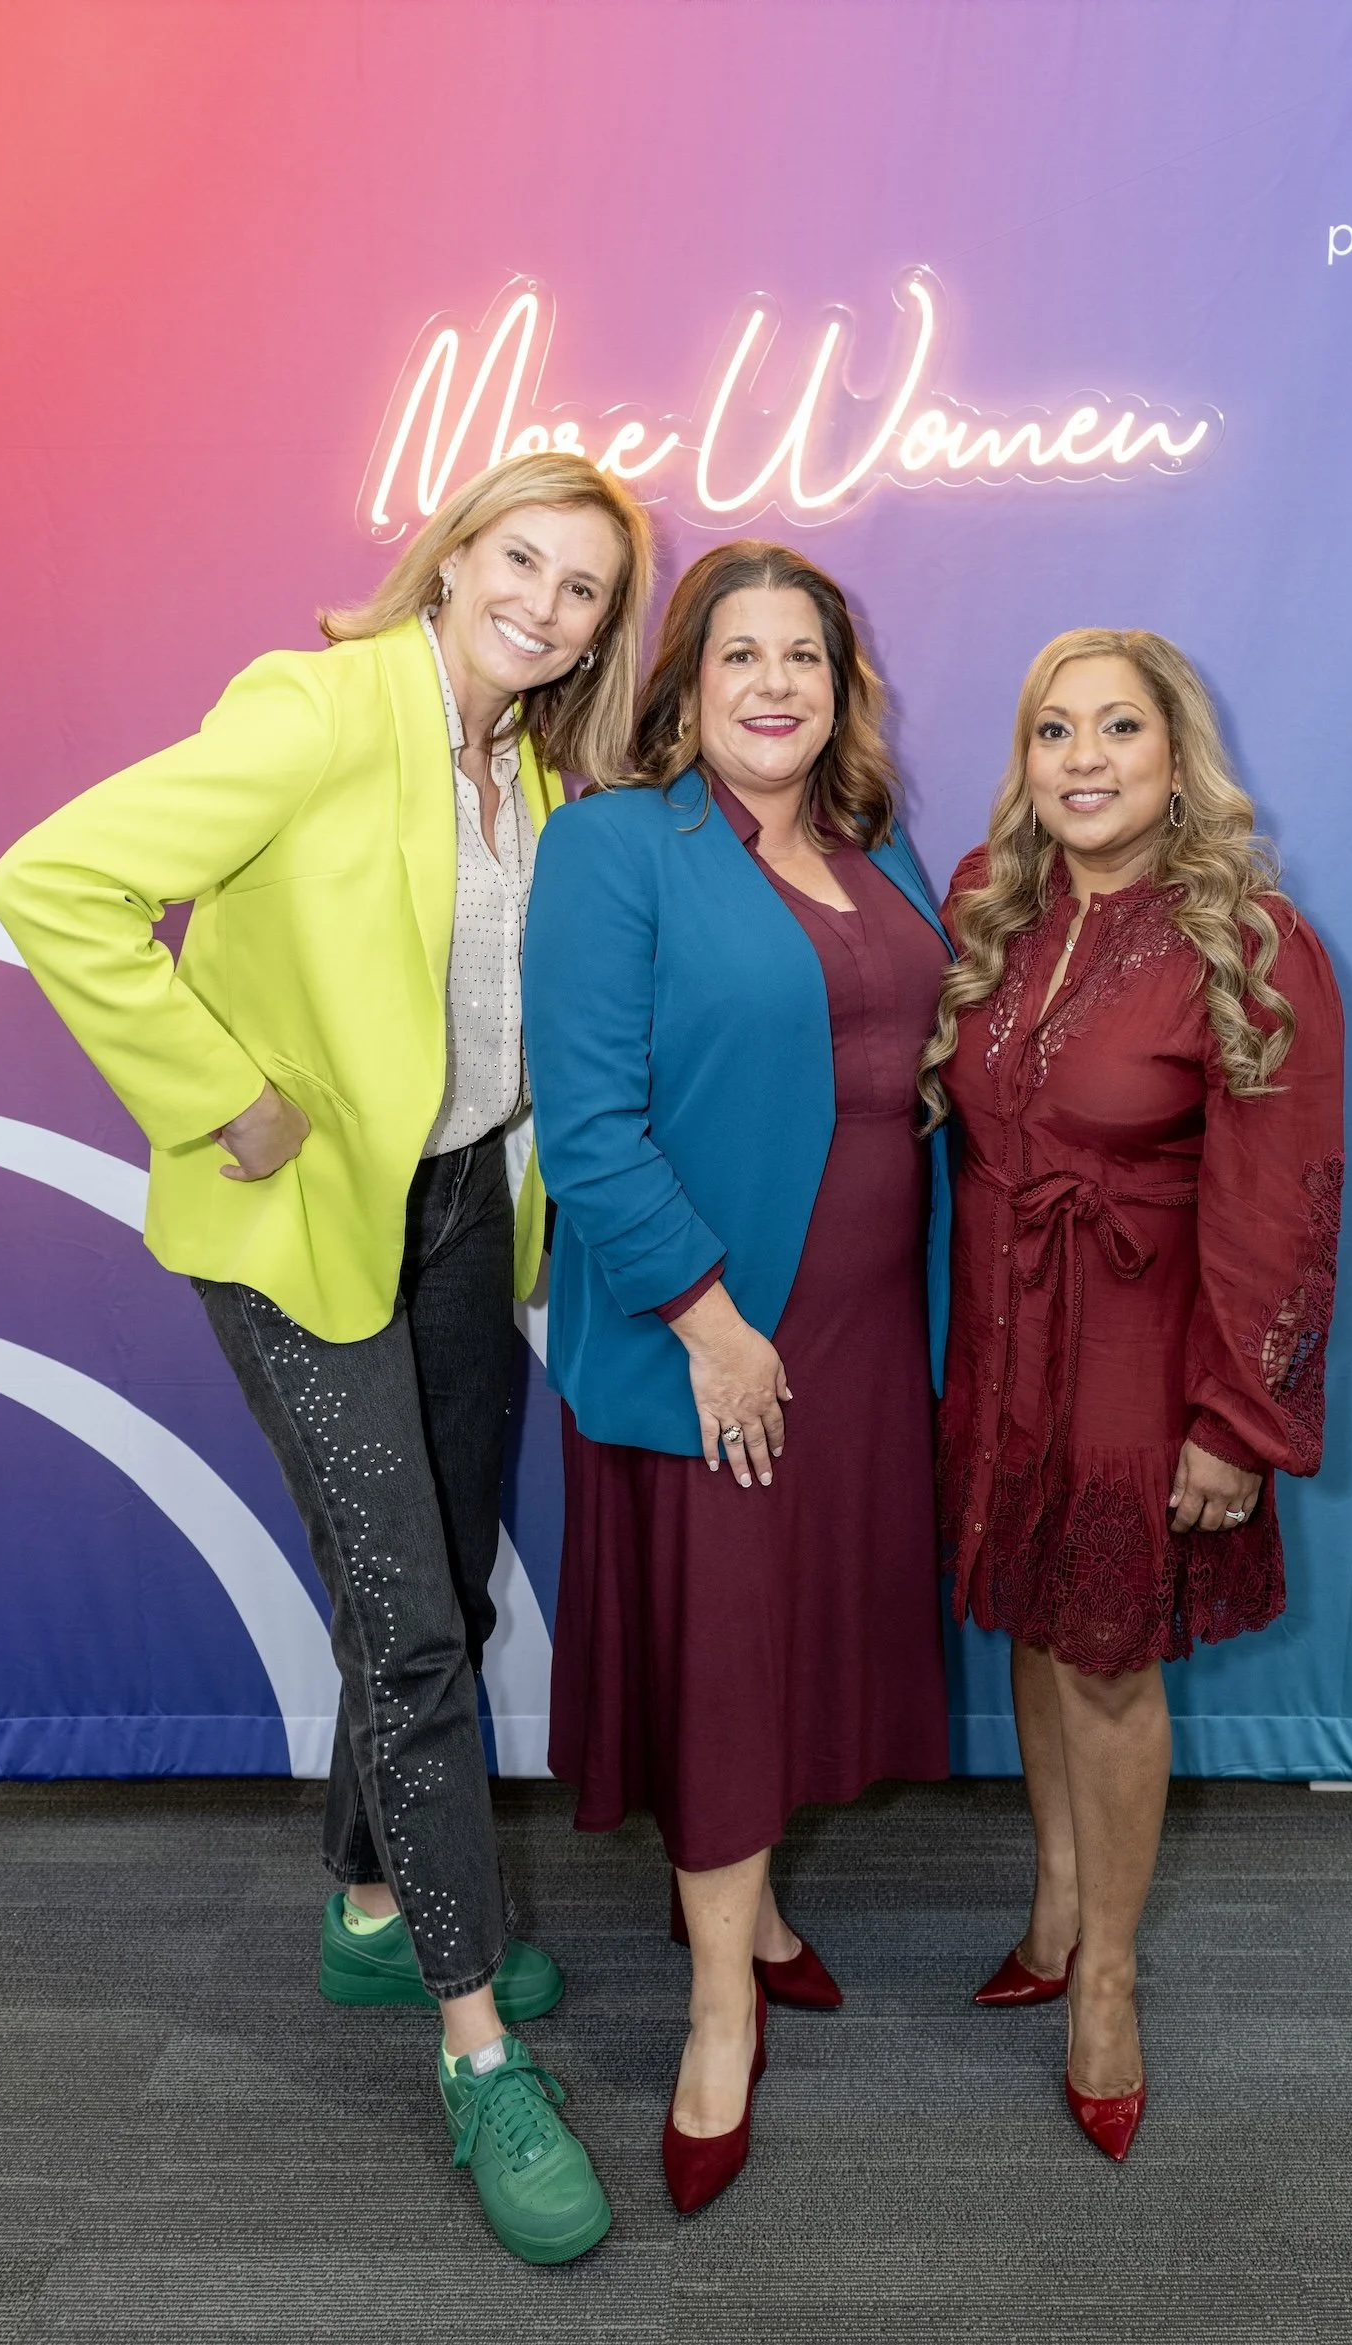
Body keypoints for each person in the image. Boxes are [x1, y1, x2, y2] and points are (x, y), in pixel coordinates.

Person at [0, 452, 653, 2265]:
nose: (544, 603)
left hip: (457, 1213)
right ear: (453, 554)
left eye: (585, 587)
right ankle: (478, 2055)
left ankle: (373, 1908)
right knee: (415, 1628)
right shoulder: (317, 710)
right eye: (522, 558)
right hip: (301, 1231)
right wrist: (221, 1095)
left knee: (439, 1589)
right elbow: (53, 881)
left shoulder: (529, 770)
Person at [523, 541, 954, 2213]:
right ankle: (719, 2011)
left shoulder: (875, 848)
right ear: (687, 685)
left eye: (805, 658)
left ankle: (755, 1910)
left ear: (842, 689)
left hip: (864, 1335)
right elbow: (588, 1125)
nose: (775, 684)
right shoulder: (616, 844)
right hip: (715, 1341)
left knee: (795, 1642)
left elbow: (901, 1058)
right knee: (724, 1663)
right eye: (741, 655)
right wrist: (714, 1326)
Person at [918, 628, 1344, 2162]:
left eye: (1117, 728)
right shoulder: (989, 900)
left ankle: (1108, 1979)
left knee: (1105, 1660)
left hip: (1142, 1361)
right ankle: (1054, 1905)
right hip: (1001, 1345)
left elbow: (1283, 1201)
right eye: (1055, 731)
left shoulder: (1249, 942)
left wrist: (1239, 1420)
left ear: (1176, 758)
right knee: (1033, 1625)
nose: (1083, 759)